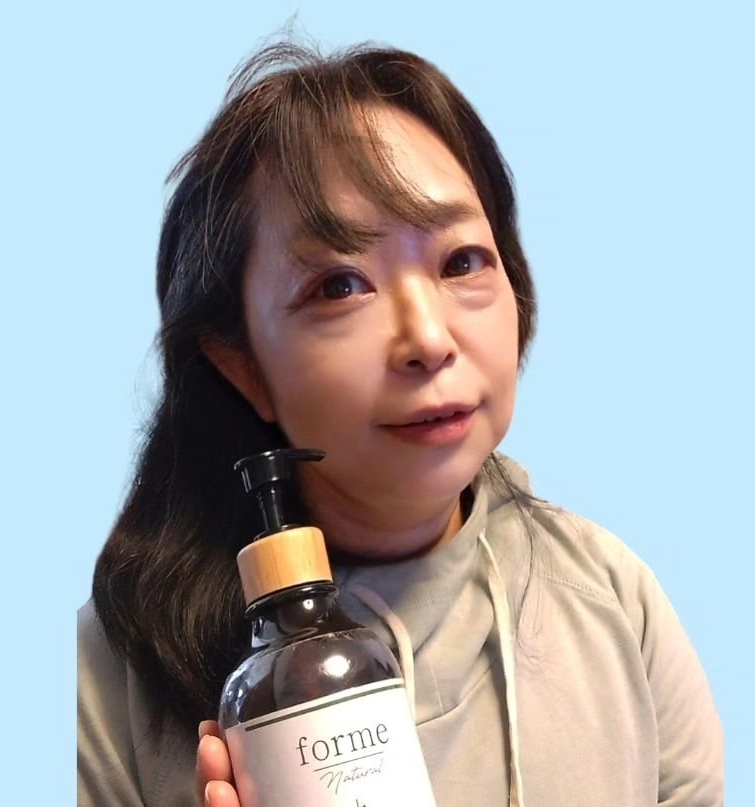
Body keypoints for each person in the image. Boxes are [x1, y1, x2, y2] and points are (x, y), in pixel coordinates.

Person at [77, 41, 723, 807]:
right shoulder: (110, 670)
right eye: (338, 285)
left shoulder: (613, 596)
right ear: (241, 364)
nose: (427, 338)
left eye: (461, 262)